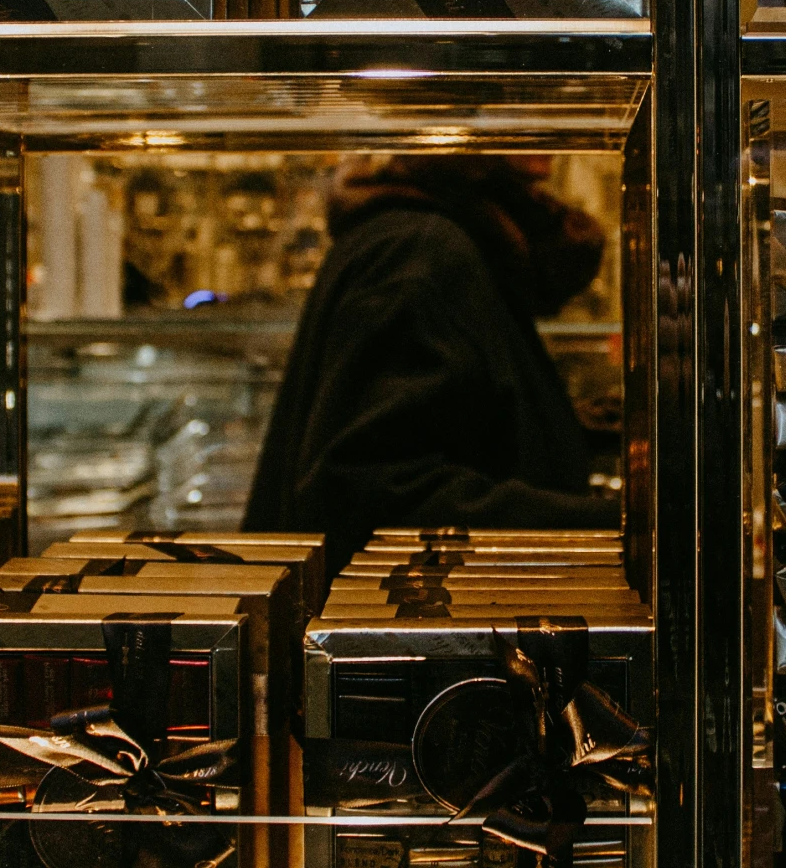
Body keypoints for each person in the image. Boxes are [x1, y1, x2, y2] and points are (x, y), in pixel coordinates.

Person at [243, 153, 620, 574]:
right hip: (406, 626)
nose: (554, 105)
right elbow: (369, 497)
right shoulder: (422, 248)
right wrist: (624, 523)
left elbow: (448, 431)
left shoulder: (434, 237)